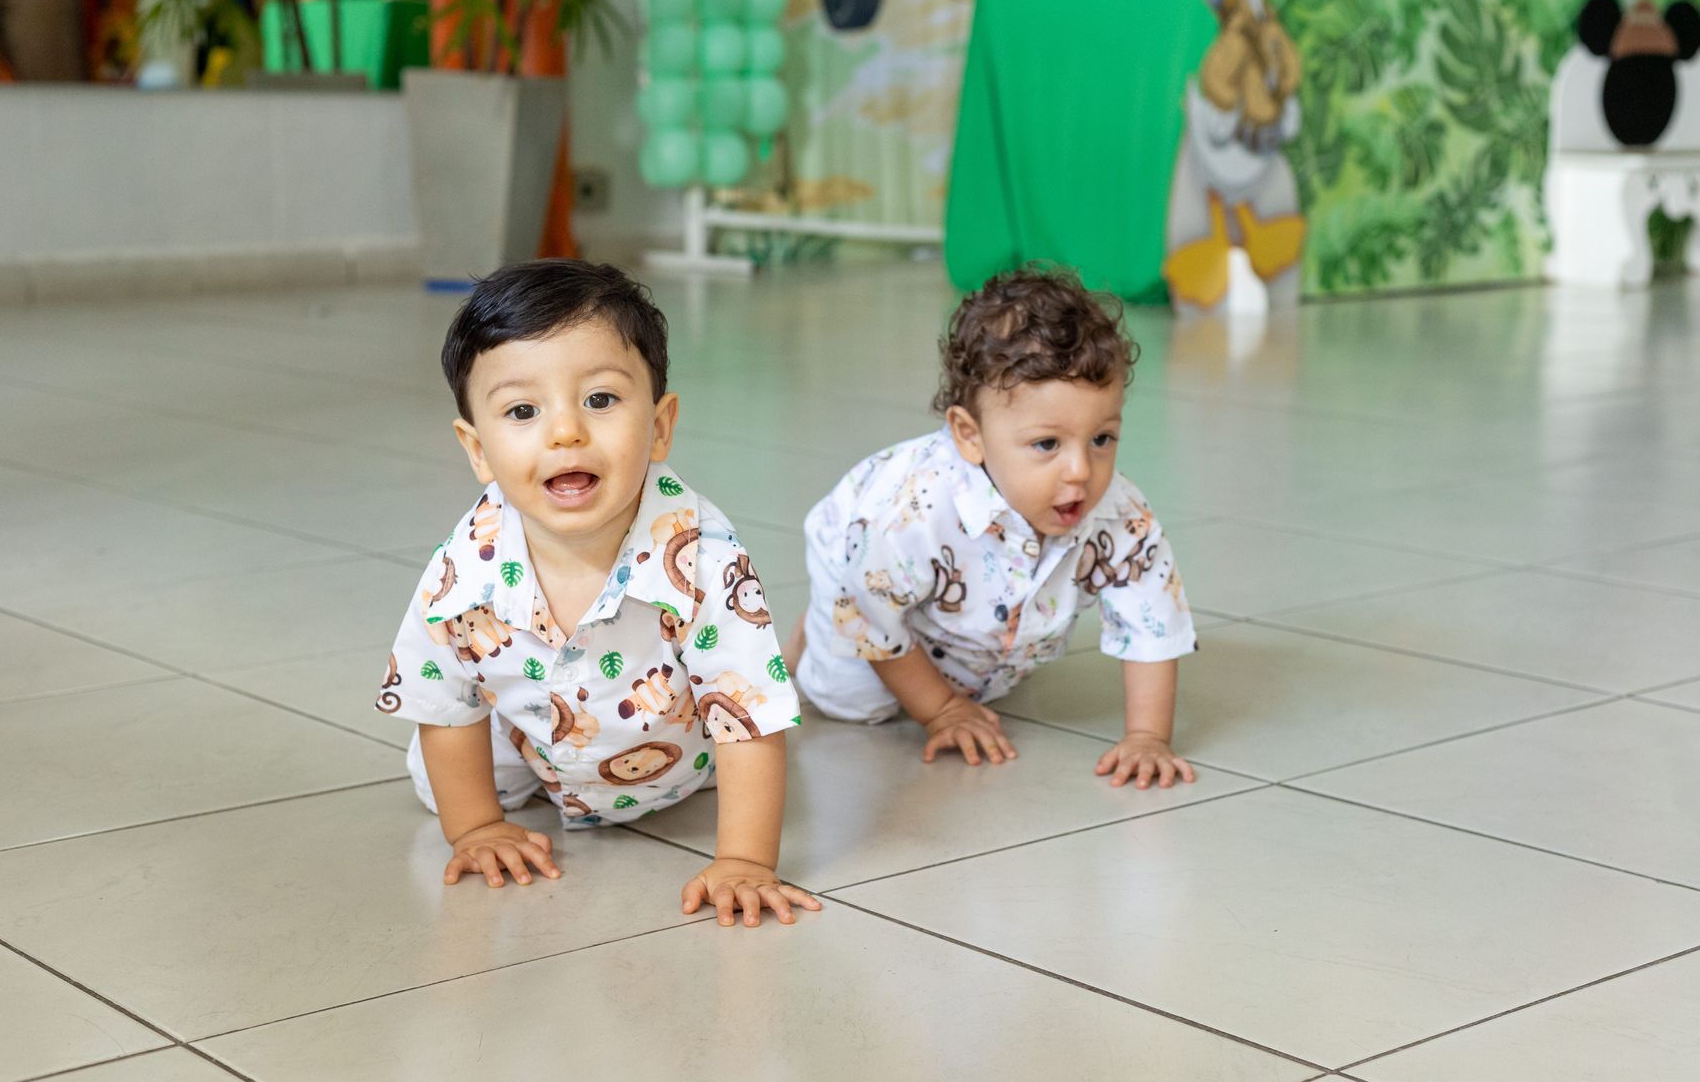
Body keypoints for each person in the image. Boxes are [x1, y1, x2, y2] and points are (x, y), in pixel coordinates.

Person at [375, 259, 819, 929]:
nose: (565, 433)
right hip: (524, 734)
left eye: (601, 400)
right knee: (438, 777)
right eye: (523, 411)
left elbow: (748, 714)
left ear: (661, 425)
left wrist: (747, 860)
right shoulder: (463, 569)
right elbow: (444, 701)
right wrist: (476, 828)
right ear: (478, 450)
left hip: (673, 757)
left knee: (746, 727)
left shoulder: (703, 557)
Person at [785, 267, 1200, 790]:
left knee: (981, 677)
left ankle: (941, 659)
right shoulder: (912, 511)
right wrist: (941, 710)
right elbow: (868, 614)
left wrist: (1148, 736)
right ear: (969, 435)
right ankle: (811, 634)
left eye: (1102, 438)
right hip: (863, 568)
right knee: (852, 701)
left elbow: (1151, 621)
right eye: (1048, 444)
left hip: (959, 599)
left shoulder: (1120, 515)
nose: (1080, 471)